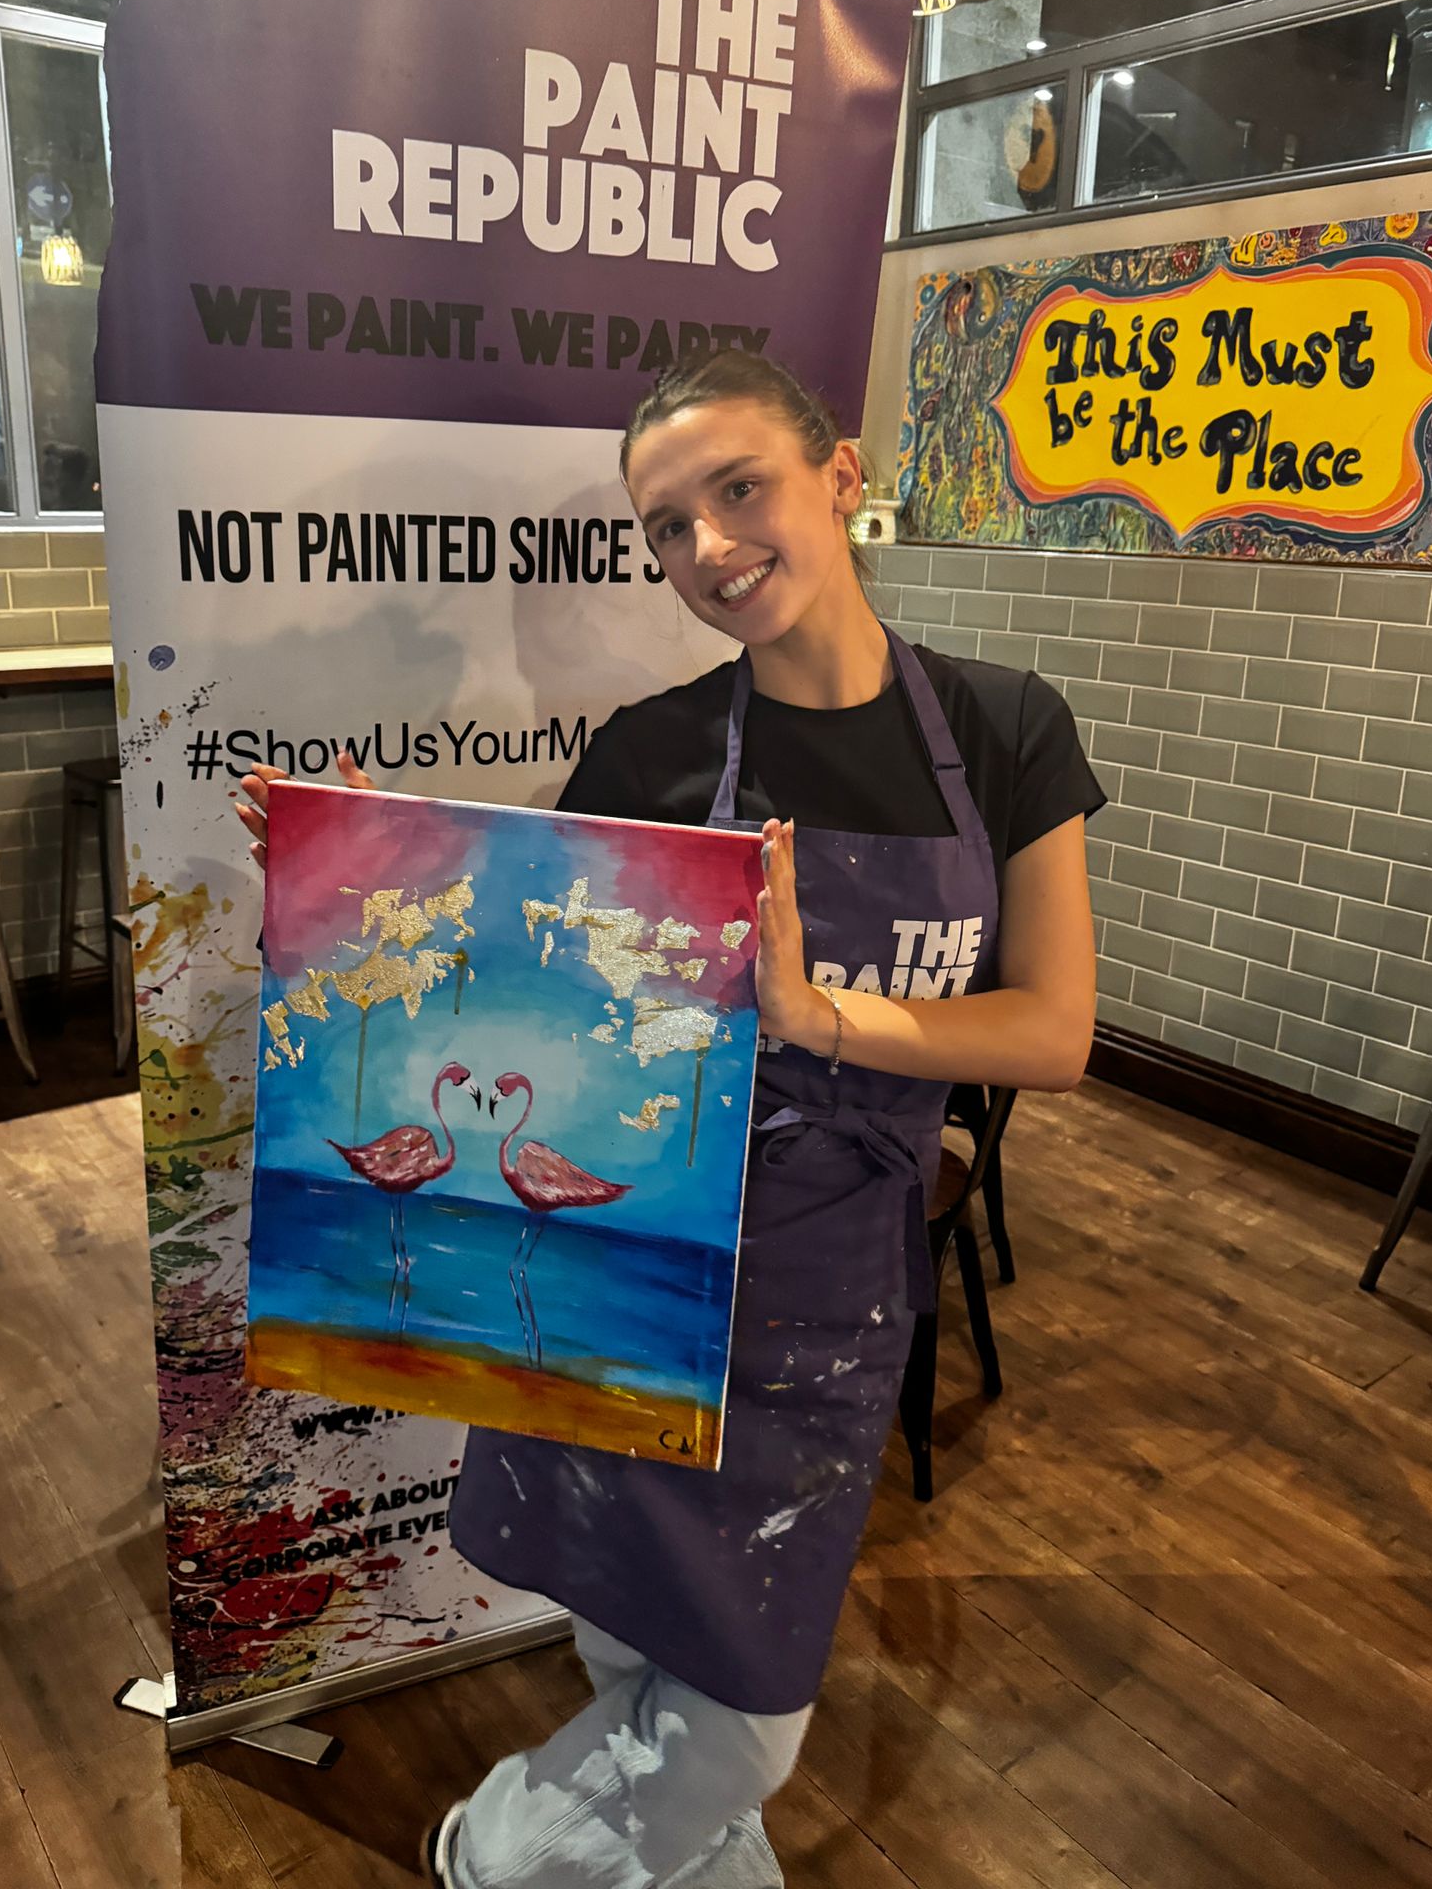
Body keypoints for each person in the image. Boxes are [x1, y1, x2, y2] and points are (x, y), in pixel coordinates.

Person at [236, 351, 1103, 1888]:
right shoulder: (651, 751)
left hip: (830, 1297)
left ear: (842, 476)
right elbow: (524, 1002)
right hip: (641, 1272)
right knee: (634, 1631)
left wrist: (819, 1014)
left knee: (748, 1713)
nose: (707, 546)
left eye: (740, 488)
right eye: (666, 526)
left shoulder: (1005, 729)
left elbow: (1053, 1028)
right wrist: (358, 883)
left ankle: (495, 1852)